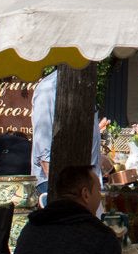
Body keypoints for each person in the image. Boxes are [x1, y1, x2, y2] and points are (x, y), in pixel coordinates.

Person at [30, 68, 101, 203]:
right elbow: (43, 146)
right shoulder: (49, 87)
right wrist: (59, 192)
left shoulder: (84, 83)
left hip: (83, 184)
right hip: (60, 188)